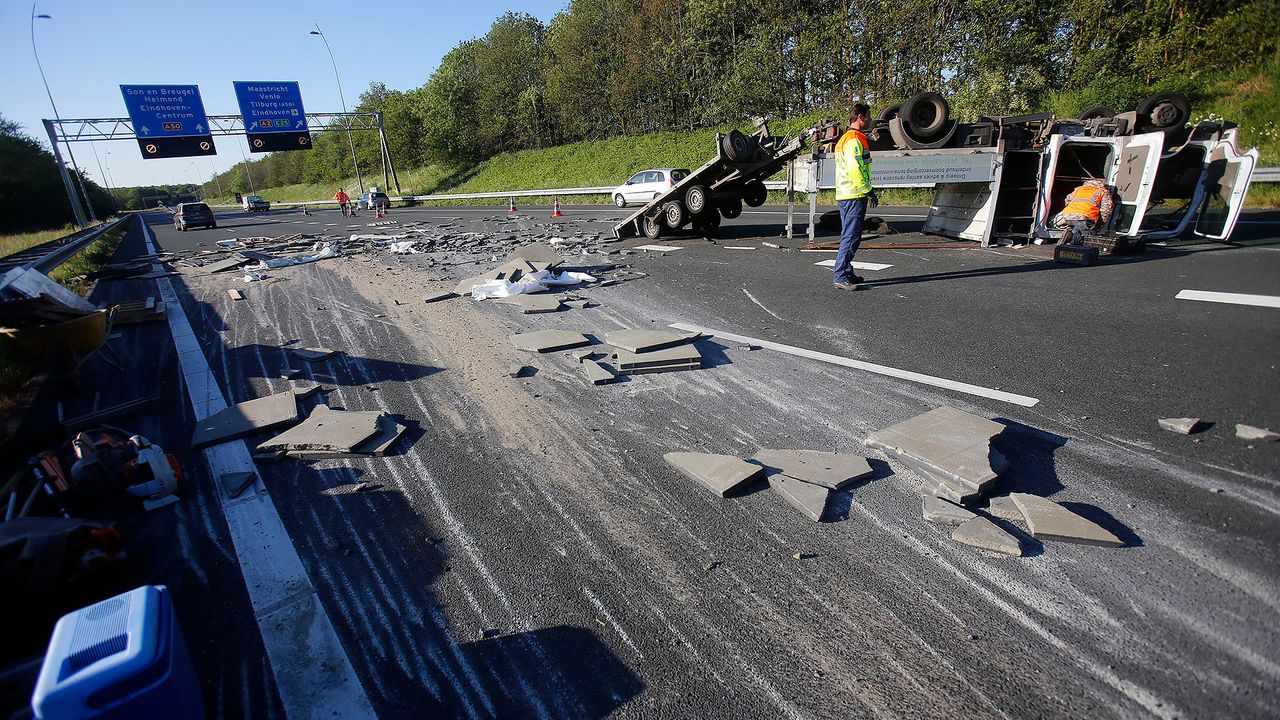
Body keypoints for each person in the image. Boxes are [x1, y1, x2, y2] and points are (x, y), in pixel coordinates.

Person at [833, 103, 878, 290]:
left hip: (847, 193)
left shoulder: (846, 138)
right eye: (868, 117)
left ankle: (846, 272)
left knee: (849, 235)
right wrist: (869, 190)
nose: (870, 120)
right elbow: (855, 169)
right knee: (851, 237)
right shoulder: (853, 140)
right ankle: (841, 275)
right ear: (860, 117)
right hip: (854, 193)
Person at [1049, 179, 1115, 244]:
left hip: (1067, 215)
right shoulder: (1103, 191)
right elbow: (1106, 210)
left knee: (1075, 226)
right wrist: (1100, 224)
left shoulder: (1078, 189)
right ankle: (1072, 239)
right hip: (1085, 217)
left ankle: (1070, 233)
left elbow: (1067, 201)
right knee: (1089, 240)